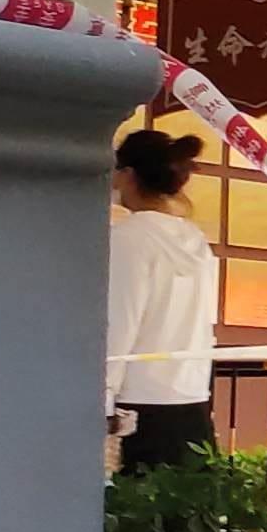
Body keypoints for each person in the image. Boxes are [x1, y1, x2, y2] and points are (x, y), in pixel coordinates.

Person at [104, 127, 221, 471]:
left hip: (139, 406)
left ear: (127, 175)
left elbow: (119, 322)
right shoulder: (195, 239)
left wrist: (104, 399)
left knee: (137, 504)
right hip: (192, 398)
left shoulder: (128, 238)